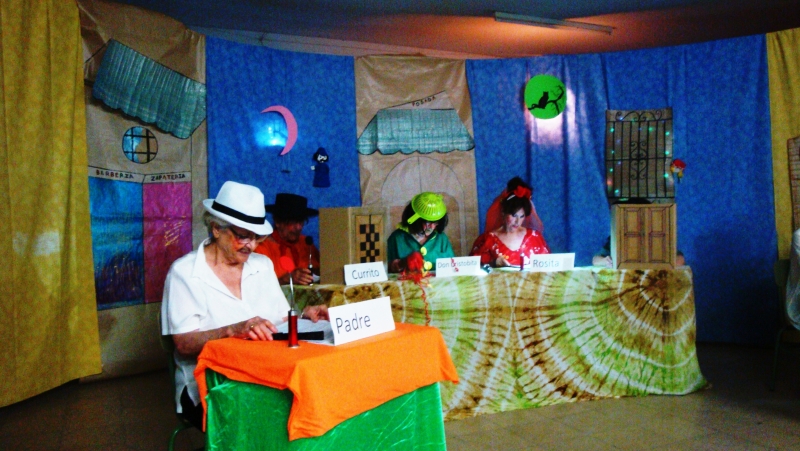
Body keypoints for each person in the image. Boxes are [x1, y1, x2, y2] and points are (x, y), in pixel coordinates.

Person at [161, 181, 328, 429]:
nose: (252, 245)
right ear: (216, 229)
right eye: (243, 236)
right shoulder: (185, 272)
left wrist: (304, 316)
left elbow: (279, 321)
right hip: (210, 384)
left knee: (311, 402)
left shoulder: (262, 265)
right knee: (277, 418)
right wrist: (232, 330)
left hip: (265, 374)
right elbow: (184, 344)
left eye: (257, 237)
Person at [470, 180, 550, 267]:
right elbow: (472, 267)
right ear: (503, 213)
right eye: (514, 216)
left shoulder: (534, 237)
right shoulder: (488, 239)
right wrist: (494, 263)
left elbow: (548, 266)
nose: (517, 221)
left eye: (522, 216)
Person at [255, 193, 320, 285]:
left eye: (301, 221)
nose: (298, 227)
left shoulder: (306, 243)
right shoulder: (261, 248)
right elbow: (256, 287)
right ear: (277, 222)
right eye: (292, 222)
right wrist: (285, 280)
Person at [387, 192, 455, 273]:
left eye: (435, 222)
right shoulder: (396, 238)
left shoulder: (441, 238)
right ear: (415, 220)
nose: (432, 227)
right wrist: (402, 263)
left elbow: (452, 266)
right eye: (427, 222)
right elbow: (384, 267)